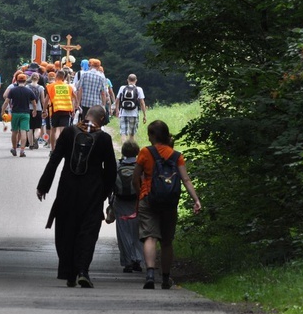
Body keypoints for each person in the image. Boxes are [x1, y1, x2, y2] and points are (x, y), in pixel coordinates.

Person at [37, 106, 117, 288]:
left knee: (66, 230)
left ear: (85, 115)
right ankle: (83, 270)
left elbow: (55, 159)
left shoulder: (69, 132)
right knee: (88, 232)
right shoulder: (104, 138)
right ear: (102, 118)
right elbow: (111, 170)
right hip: (92, 192)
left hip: (67, 190)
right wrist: (105, 194)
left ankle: (69, 272)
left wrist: (43, 186)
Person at [133, 120, 201, 289]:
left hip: (148, 198)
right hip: (169, 201)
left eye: (149, 134)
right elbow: (185, 179)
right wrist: (196, 199)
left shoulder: (145, 152)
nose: (148, 138)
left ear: (154, 136)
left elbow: (135, 177)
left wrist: (140, 194)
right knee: (166, 241)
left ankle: (149, 274)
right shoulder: (176, 155)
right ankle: (165, 278)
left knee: (150, 236)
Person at [110, 141, 144, 273]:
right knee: (138, 231)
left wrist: (110, 202)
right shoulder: (140, 166)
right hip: (137, 201)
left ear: (123, 152)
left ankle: (127, 261)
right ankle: (138, 259)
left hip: (120, 201)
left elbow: (111, 184)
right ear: (137, 151)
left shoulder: (118, 165)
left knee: (123, 232)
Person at [2, 73, 37, 157]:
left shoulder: (13, 90)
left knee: (14, 131)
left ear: (17, 81)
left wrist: (3, 110)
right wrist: (34, 110)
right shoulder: (29, 91)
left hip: (15, 113)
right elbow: (34, 103)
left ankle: (14, 148)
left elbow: (6, 101)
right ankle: (22, 150)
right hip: (25, 113)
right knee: (23, 131)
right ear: (25, 81)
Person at [45, 70, 76, 154]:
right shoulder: (68, 87)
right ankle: (62, 148)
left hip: (55, 110)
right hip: (66, 110)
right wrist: (73, 109)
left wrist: (44, 110)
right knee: (64, 130)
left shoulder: (51, 86)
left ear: (56, 76)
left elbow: (46, 99)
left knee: (53, 130)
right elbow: (74, 98)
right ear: (64, 77)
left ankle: (52, 149)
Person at [115, 74, 147, 143]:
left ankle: (124, 150)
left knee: (123, 132)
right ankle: (131, 150)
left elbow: (117, 100)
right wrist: (144, 115)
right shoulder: (139, 89)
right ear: (136, 80)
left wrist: (117, 110)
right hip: (134, 114)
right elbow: (142, 103)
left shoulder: (122, 88)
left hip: (123, 113)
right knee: (132, 133)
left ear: (127, 80)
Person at [26, 73, 46, 150]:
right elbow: (43, 100)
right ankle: (35, 138)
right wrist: (44, 110)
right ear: (38, 79)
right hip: (38, 109)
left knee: (30, 127)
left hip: (29, 109)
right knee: (38, 127)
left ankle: (31, 144)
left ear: (31, 78)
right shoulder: (41, 88)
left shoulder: (27, 87)